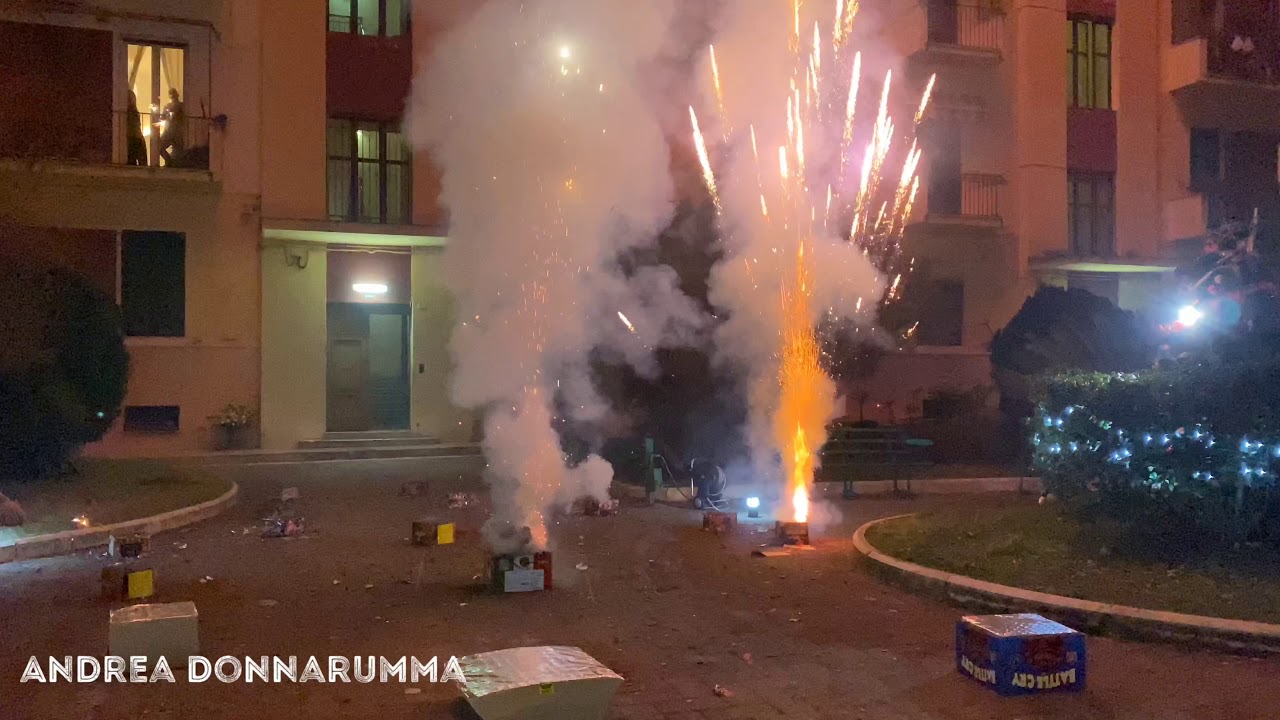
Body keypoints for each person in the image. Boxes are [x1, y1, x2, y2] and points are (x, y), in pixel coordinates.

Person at [156, 88, 186, 166]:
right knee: (159, 146)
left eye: (173, 93)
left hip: (175, 131)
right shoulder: (169, 106)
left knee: (178, 149)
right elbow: (163, 117)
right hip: (171, 131)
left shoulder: (179, 105)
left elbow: (183, 118)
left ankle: (171, 162)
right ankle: (170, 161)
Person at [126, 91, 147, 166]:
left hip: (134, 137)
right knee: (139, 159)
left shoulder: (131, 112)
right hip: (136, 136)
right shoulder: (134, 111)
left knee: (133, 159)